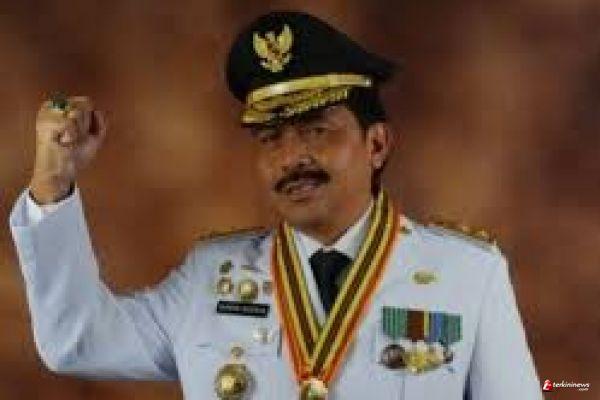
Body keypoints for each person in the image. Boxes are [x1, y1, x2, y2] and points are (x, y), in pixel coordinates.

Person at [9, 11, 542, 400]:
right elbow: (76, 342)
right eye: (270, 138)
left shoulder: (468, 276)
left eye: (316, 130)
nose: (291, 158)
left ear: (377, 144)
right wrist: (54, 179)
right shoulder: (209, 278)